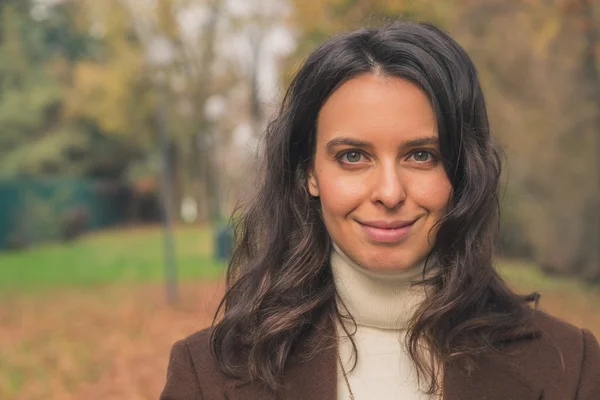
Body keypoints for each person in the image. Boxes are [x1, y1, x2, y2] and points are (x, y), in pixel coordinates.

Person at [160, 20, 600, 400]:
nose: (389, 192)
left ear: (464, 170)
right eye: (353, 156)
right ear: (309, 173)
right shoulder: (209, 376)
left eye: (422, 155)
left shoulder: (571, 367)